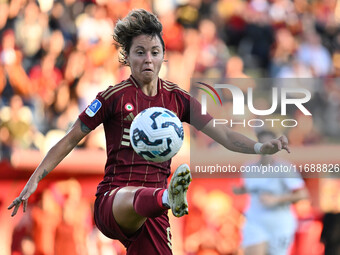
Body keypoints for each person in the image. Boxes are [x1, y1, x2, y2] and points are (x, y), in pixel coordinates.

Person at [8, 9, 290, 255]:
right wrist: (35, 178)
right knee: (137, 195)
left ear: (163, 56)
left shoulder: (178, 99)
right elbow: (70, 139)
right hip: (114, 202)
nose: (148, 59)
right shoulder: (111, 97)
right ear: (127, 57)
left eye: (154, 53)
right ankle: (169, 197)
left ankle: (166, 198)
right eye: (139, 52)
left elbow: (225, 135)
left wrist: (259, 147)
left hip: (154, 213)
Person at [233, 130, 308, 255]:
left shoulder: (285, 168)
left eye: (269, 144)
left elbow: (302, 194)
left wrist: (276, 199)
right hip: (255, 222)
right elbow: (253, 189)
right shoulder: (249, 168)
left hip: (279, 225)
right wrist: (240, 190)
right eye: (262, 143)